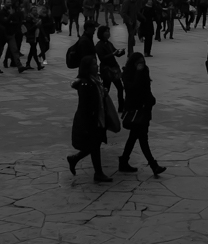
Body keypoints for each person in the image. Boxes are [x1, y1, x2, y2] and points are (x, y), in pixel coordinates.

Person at [118, 52, 166, 176]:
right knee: (142, 138)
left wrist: (151, 100)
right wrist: (138, 73)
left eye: (142, 62)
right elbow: (132, 89)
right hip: (135, 110)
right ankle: (153, 165)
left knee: (134, 137)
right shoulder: (127, 74)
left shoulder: (145, 70)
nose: (141, 65)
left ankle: (124, 160)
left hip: (144, 109)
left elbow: (146, 88)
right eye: (139, 63)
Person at [66, 55, 113, 183]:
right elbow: (85, 105)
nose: (96, 66)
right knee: (94, 145)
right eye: (93, 64)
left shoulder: (95, 80)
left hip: (96, 117)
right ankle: (98, 173)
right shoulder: (86, 84)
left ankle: (75, 159)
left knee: (95, 145)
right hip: (90, 119)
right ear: (87, 67)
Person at [96, 26, 125, 111]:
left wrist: (121, 52)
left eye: (108, 31)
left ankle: (121, 106)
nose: (108, 33)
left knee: (119, 87)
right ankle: (103, 106)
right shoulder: (99, 45)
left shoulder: (109, 43)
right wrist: (113, 54)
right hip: (106, 70)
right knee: (106, 89)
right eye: (106, 31)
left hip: (113, 69)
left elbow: (115, 53)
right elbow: (102, 58)